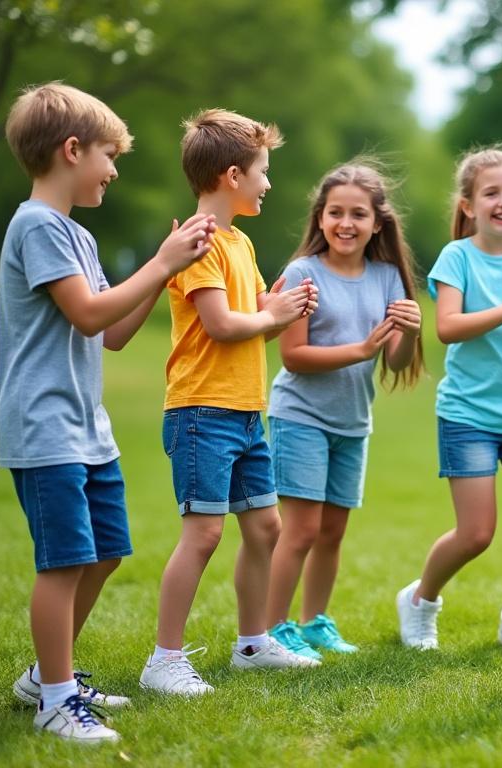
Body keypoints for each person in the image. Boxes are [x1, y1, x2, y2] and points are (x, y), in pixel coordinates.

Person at [0, 82, 215, 741]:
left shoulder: (77, 238)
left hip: (87, 427)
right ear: (71, 151)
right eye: (108, 155)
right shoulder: (36, 226)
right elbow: (88, 311)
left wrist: (164, 271)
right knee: (62, 561)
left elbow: (110, 332)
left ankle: (46, 674)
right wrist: (160, 263)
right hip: (44, 425)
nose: (114, 170)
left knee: (106, 551)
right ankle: (56, 699)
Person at [140, 109, 320, 696]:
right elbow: (219, 325)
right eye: (264, 171)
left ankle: (252, 642)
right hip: (201, 412)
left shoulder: (239, 242)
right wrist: (272, 314)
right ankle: (164, 659)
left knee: (266, 526)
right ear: (232, 175)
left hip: (246, 411)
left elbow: (249, 322)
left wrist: (278, 308)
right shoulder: (200, 243)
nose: (268, 183)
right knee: (204, 534)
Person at [396, 146, 502, 657]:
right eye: (492, 193)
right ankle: (420, 599)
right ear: (469, 205)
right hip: (467, 414)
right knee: (476, 534)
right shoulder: (459, 258)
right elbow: (448, 328)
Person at [264, 161, 424, 660]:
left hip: (353, 420)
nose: (346, 224)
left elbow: (394, 358)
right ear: (320, 217)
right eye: (336, 212)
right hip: (300, 415)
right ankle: (272, 629)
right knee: (302, 529)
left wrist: (411, 333)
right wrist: (359, 349)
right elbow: (294, 356)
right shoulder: (302, 274)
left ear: (378, 223)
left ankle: (314, 623)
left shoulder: (386, 277)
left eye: (358, 214)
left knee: (332, 531)